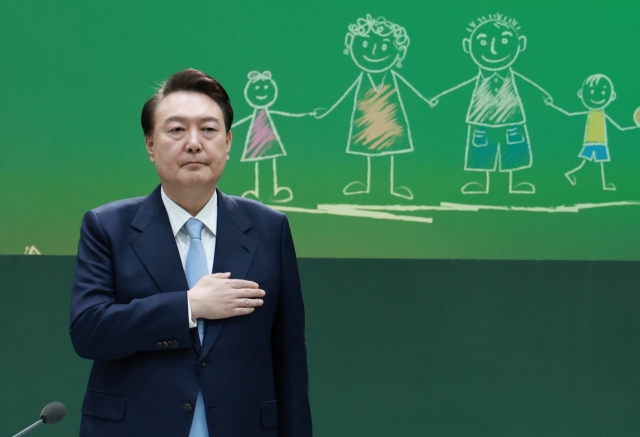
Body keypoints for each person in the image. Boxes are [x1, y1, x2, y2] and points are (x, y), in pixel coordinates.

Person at [70, 69, 312, 437]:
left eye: (209, 130)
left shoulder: (269, 228)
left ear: (229, 142)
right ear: (151, 145)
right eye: (177, 130)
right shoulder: (107, 227)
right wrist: (188, 306)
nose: (194, 143)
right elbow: (89, 331)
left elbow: (289, 358)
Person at [313, 14, 433, 200]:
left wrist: (426, 100)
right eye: (365, 45)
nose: (374, 51)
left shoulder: (392, 77)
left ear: (398, 52)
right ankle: (367, 186)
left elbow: (410, 88)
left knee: (388, 152)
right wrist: (328, 111)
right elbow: (346, 93)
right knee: (369, 151)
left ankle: (390, 186)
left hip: (389, 116)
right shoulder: (362, 78)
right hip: (367, 116)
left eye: (384, 46)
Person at [430, 13, 553, 194]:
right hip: (481, 116)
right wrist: (441, 97)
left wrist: (543, 95)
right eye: (482, 43)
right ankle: (480, 182)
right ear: (467, 46)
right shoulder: (479, 79)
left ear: (521, 44)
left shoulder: (512, 77)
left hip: (511, 116)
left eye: (504, 42)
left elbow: (527, 83)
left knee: (514, 147)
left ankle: (513, 183)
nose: (493, 50)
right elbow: (462, 86)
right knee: (480, 147)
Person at [546, 73, 638, 190]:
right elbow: (569, 114)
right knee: (586, 161)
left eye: (604, 93)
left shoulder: (603, 115)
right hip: (590, 141)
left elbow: (620, 127)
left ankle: (602, 184)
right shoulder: (591, 114)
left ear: (612, 96)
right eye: (592, 92)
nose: (598, 96)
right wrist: (552, 104)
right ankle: (573, 173)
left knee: (599, 163)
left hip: (602, 142)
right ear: (581, 94)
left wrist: (635, 127)